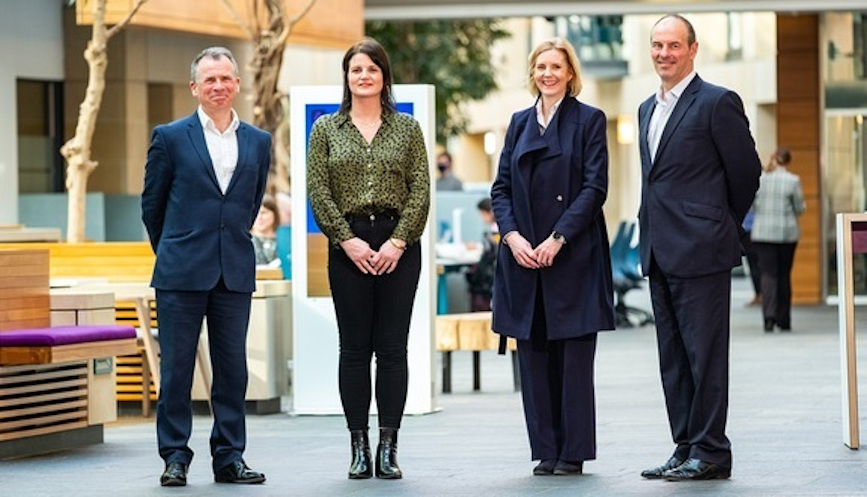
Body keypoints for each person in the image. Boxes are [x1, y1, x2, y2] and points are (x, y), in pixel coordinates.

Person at [636, 15, 761, 481]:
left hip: (701, 248)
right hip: (659, 247)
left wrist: (716, 220)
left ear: (692, 49)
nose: (664, 53)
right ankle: (685, 444)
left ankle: (711, 451)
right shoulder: (647, 108)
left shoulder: (716, 102)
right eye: (657, 45)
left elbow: (746, 172)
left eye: (673, 45)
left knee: (705, 355)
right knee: (673, 357)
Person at [141, 46, 270, 487]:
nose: (218, 86)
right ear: (195, 87)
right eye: (209, 80)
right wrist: (174, 250)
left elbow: (250, 203)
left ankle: (229, 457)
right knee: (176, 371)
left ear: (237, 84)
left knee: (232, 371)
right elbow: (152, 207)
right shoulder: (170, 137)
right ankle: (174, 457)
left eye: (226, 78)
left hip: (233, 269)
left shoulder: (258, 141)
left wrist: (225, 242)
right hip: (180, 272)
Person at [306, 37, 430, 480]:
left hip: (399, 243)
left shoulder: (407, 129)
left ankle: (388, 448)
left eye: (372, 69)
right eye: (356, 69)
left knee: (393, 349)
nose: (364, 76)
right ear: (346, 77)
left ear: (383, 76)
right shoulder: (325, 129)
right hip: (348, 245)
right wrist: (348, 240)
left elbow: (420, 190)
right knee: (355, 350)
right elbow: (318, 193)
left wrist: (397, 242)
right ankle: (358, 445)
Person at [490, 37, 615, 477]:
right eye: (540, 66)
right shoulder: (519, 123)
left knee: (574, 359)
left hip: (573, 255)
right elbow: (500, 188)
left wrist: (558, 237)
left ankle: (573, 451)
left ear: (569, 74)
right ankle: (546, 449)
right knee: (535, 356)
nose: (547, 73)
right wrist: (513, 236)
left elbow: (594, 188)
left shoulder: (589, 120)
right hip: (524, 259)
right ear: (533, 73)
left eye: (555, 67)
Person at [751, 147, 806, 332]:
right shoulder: (793, 181)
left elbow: (751, 204)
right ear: (788, 161)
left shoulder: (761, 180)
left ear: (774, 159)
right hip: (786, 234)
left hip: (762, 233)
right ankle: (784, 320)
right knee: (783, 275)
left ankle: (768, 317)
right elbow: (799, 207)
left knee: (768, 274)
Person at [465, 197, 498, 312]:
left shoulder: (496, 229)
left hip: (489, 278)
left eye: (483, 215)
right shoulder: (495, 229)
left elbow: (493, 249)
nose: (483, 219)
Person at [251, 193, 280, 266]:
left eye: (263, 213)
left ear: (274, 214)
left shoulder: (284, 241)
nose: (259, 217)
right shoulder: (243, 241)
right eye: (255, 213)